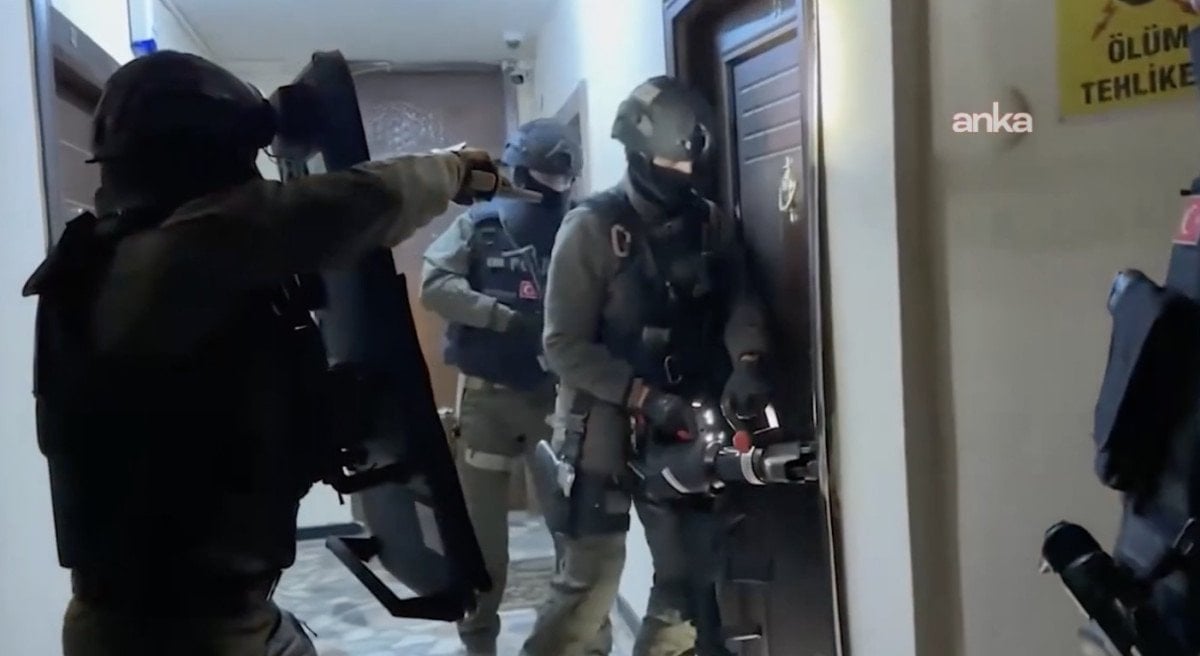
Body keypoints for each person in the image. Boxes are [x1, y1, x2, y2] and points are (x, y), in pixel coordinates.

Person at [22, 50, 499, 656]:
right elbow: (341, 206)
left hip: (192, 612)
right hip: (175, 633)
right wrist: (453, 168)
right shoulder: (175, 256)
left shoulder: (118, 259)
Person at [520, 75, 772, 656]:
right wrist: (641, 397)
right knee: (586, 591)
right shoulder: (591, 228)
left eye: (691, 163)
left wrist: (748, 361)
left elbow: (739, 299)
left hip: (682, 425)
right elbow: (563, 345)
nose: (684, 174)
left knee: (684, 591)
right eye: (670, 162)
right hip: (602, 427)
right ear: (636, 154)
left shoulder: (709, 223)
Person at [420, 118, 614, 656]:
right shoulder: (480, 224)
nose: (556, 188)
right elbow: (435, 285)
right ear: (520, 170)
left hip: (560, 400)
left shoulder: (585, 226)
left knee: (575, 534)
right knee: (481, 543)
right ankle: (478, 641)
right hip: (487, 401)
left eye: (564, 178)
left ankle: (588, 644)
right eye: (546, 176)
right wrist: (501, 317)